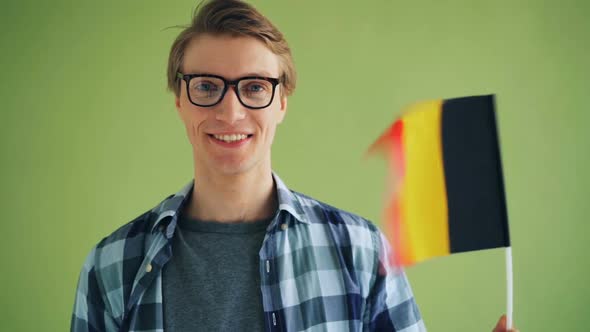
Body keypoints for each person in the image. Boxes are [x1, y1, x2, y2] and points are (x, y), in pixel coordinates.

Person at [70, 1, 519, 331]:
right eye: (207, 86)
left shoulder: (360, 252)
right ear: (180, 101)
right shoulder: (112, 267)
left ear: (281, 101)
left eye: (254, 87)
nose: (230, 112)